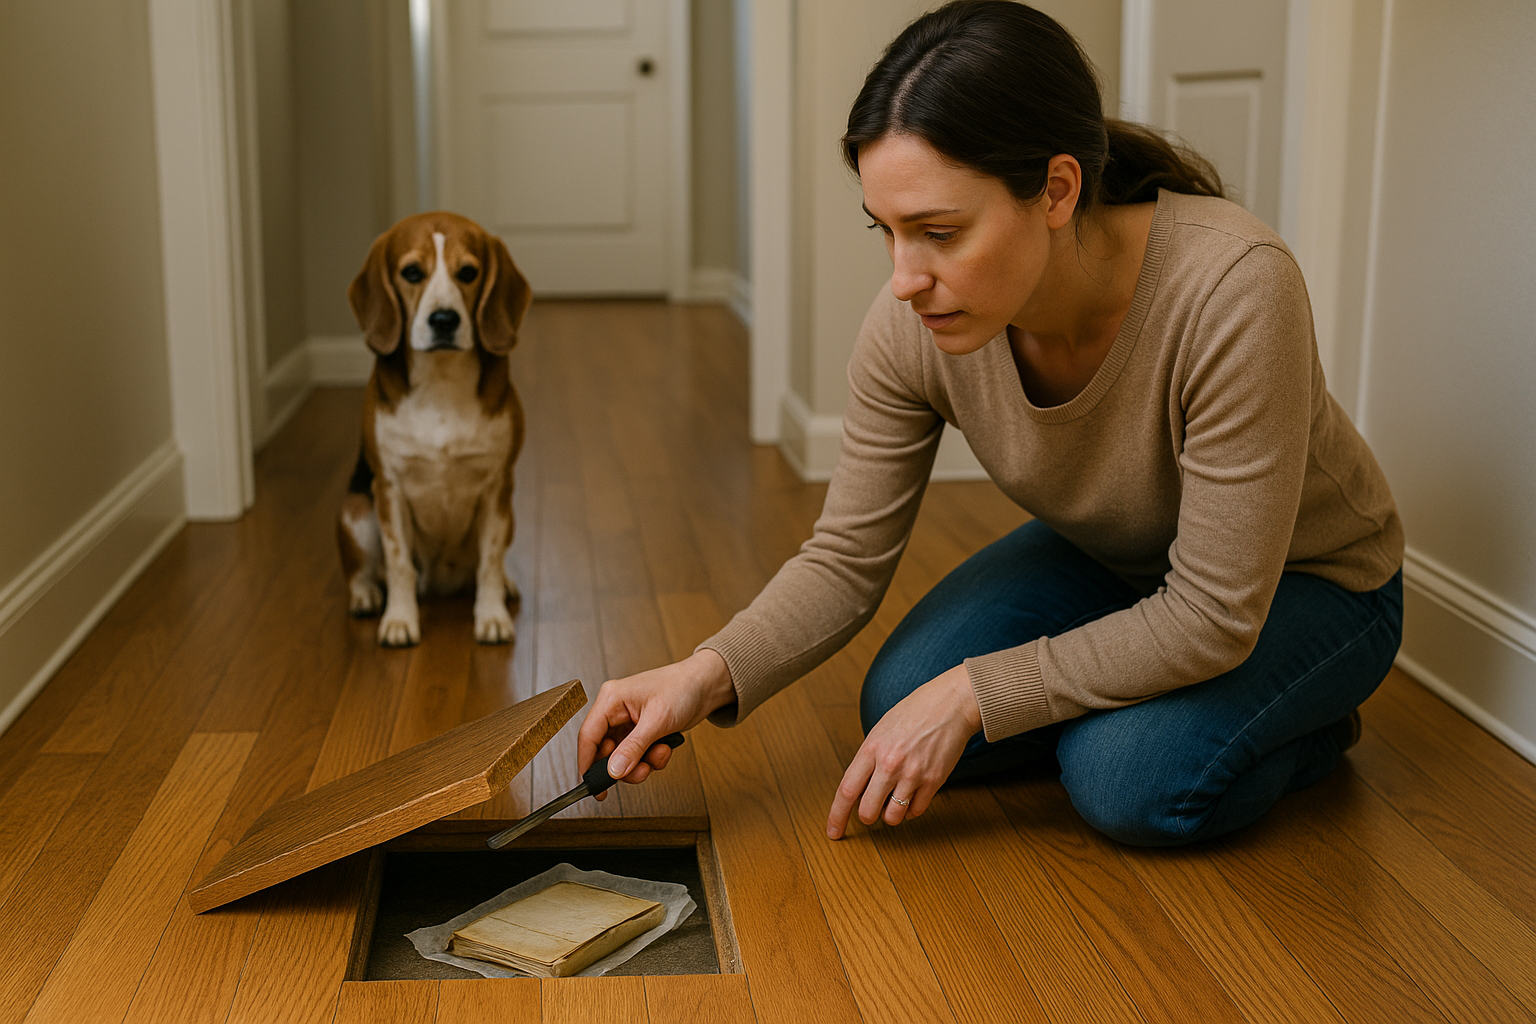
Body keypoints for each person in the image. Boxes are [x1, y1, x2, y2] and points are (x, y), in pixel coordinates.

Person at [575, 0, 1403, 847]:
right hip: (1117, 561)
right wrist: (702, 675)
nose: (905, 278)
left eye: (939, 232)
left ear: (1057, 190)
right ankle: (1141, 698)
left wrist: (977, 694)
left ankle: (1299, 723)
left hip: (1307, 584)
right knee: (897, 703)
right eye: (887, 231)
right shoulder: (914, 326)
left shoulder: (1234, 288)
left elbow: (1213, 613)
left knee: (1126, 777)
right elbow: (845, 558)